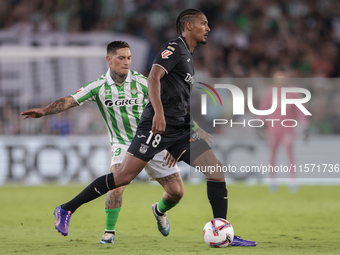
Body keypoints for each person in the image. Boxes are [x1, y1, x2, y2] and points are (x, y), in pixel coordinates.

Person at [47, 9, 256, 246]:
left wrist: (191, 126)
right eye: (203, 23)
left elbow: (176, 99)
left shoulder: (188, 54)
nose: (208, 28)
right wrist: (158, 113)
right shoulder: (174, 48)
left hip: (179, 129)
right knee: (123, 176)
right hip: (156, 127)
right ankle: (66, 209)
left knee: (216, 171)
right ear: (188, 26)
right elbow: (153, 77)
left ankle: (222, 230)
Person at [21, 41, 186, 244]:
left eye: (129, 58)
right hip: (123, 143)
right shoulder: (98, 86)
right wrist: (45, 111)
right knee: (117, 183)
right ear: (109, 59)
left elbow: (168, 105)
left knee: (177, 192)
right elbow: (70, 100)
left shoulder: (142, 82)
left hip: (153, 140)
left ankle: (159, 211)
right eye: (121, 58)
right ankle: (109, 232)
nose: (126, 62)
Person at [259, 69, 308, 192]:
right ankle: (273, 181)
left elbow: (300, 110)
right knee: (273, 153)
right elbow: (263, 108)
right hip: (273, 128)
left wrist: (304, 124)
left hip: (288, 128)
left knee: (289, 152)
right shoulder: (270, 92)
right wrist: (259, 123)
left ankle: (292, 181)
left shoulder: (294, 93)